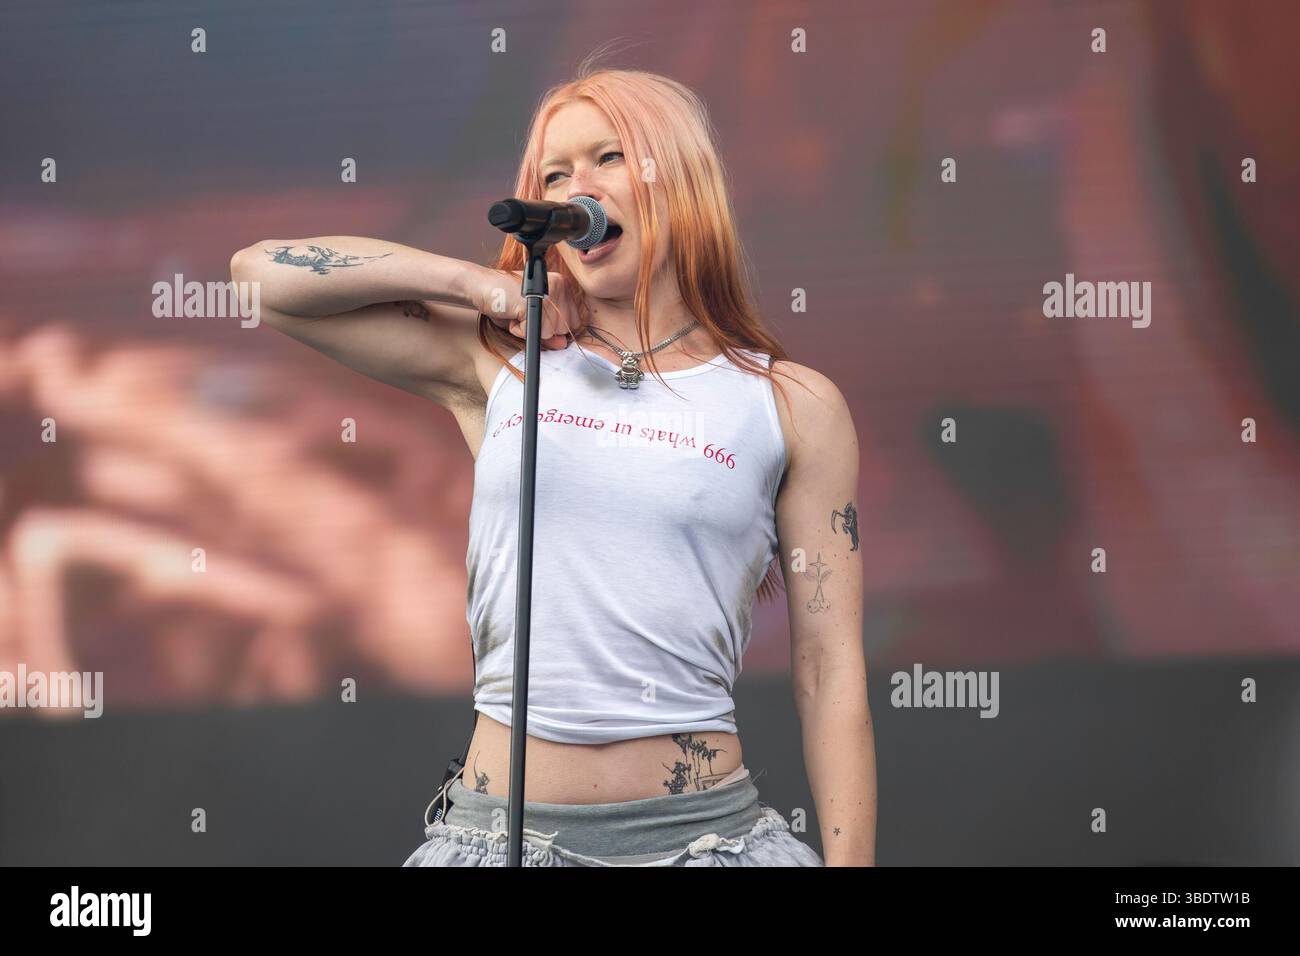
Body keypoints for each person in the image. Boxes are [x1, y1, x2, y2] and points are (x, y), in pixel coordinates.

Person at [230, 63, 876, 866]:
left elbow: (829, 664)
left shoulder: (789, 404)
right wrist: (477, 284)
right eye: (555, 173)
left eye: (608, 158)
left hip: (707, 842)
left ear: (679, 176)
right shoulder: (506, 359)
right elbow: (260, 276)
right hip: (497, 838)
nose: (580, 188)